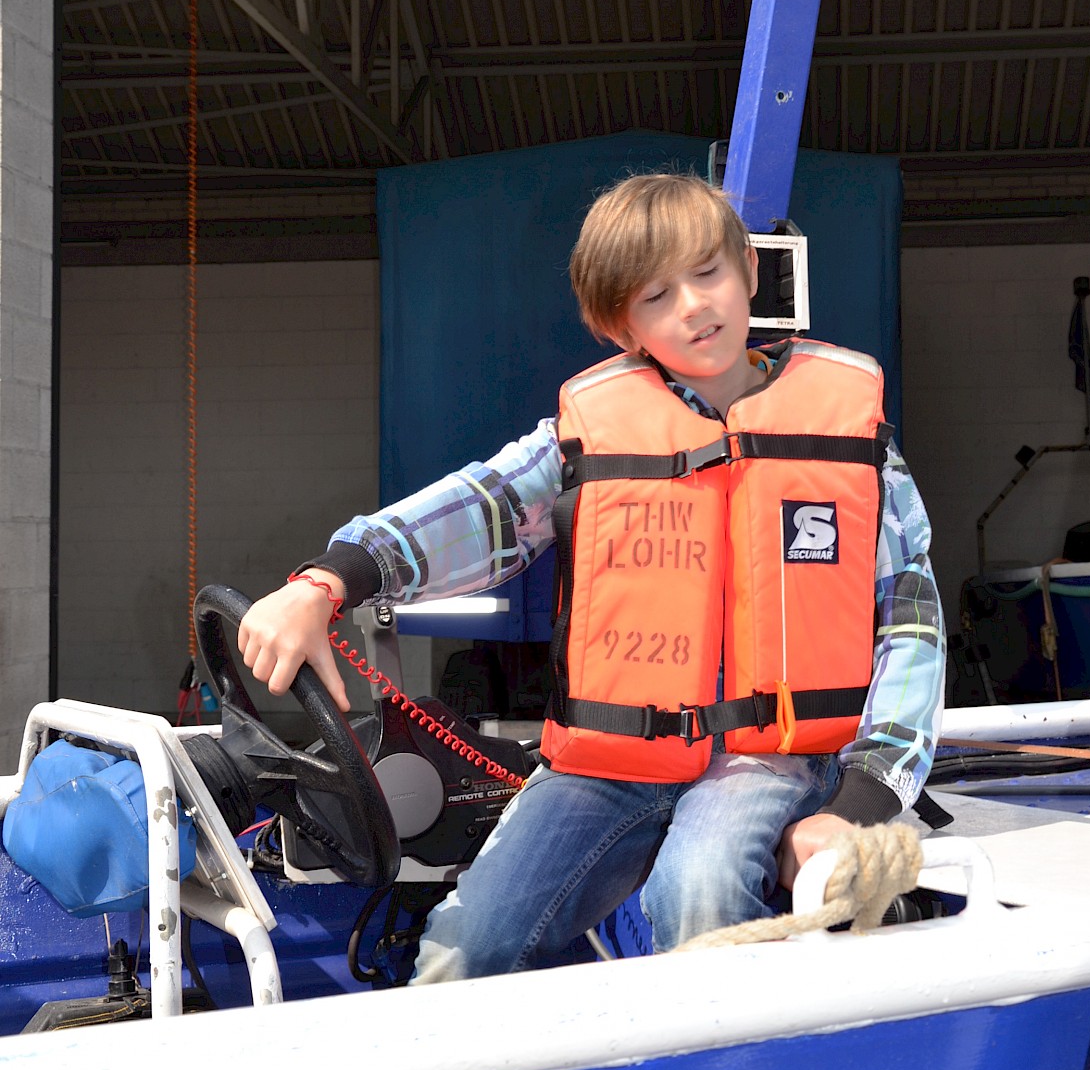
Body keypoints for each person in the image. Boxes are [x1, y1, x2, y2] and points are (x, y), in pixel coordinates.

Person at [239, 172, 944, 979]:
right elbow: (481, 506)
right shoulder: (584, 439)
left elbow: (910, 622)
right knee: (461, 953)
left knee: (698, 893)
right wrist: (326, 582)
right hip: (609, 764)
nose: (691, 305)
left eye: (708, 273)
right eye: (654, 295)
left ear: (750, 270)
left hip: (772, 759)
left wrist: (862, 804)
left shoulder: (852, 437)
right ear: (620, 327)